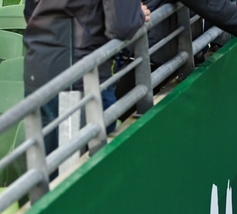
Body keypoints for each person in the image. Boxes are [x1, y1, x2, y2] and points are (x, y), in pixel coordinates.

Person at [23, 0, 151, 155]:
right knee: (76, 171)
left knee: (47, 168)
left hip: (38, 68)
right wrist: (138, 16)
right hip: (78, 78)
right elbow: (123, 25)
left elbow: (29, 13)